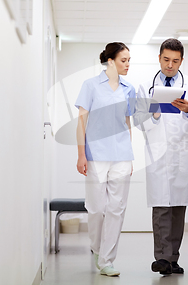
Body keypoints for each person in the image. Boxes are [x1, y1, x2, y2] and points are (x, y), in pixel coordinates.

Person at [134, 38, 188, 275]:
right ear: (159, 58)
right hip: (158, 154)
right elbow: (137, 119)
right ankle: (163, 257)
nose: (170, 65)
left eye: (175, 61)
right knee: (161, 207)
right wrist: (153, 114)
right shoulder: (146, 86)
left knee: (177, 208)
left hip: (182, 154)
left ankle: (172, 259)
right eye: (166, 59)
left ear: (181, 61)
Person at [75, 42, 136, 277]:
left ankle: (107, 260)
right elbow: (82, 121)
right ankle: (97, 248)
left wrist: (130, 157)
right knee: (97, 208)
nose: (128, 64)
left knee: (116, 209)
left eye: (130, 60)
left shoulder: (129, 88)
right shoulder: (90, 86)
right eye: (124, 60)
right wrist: (81, 154)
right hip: (95, 155)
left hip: (121, 155)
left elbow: (127, 122)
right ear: (110, 61)